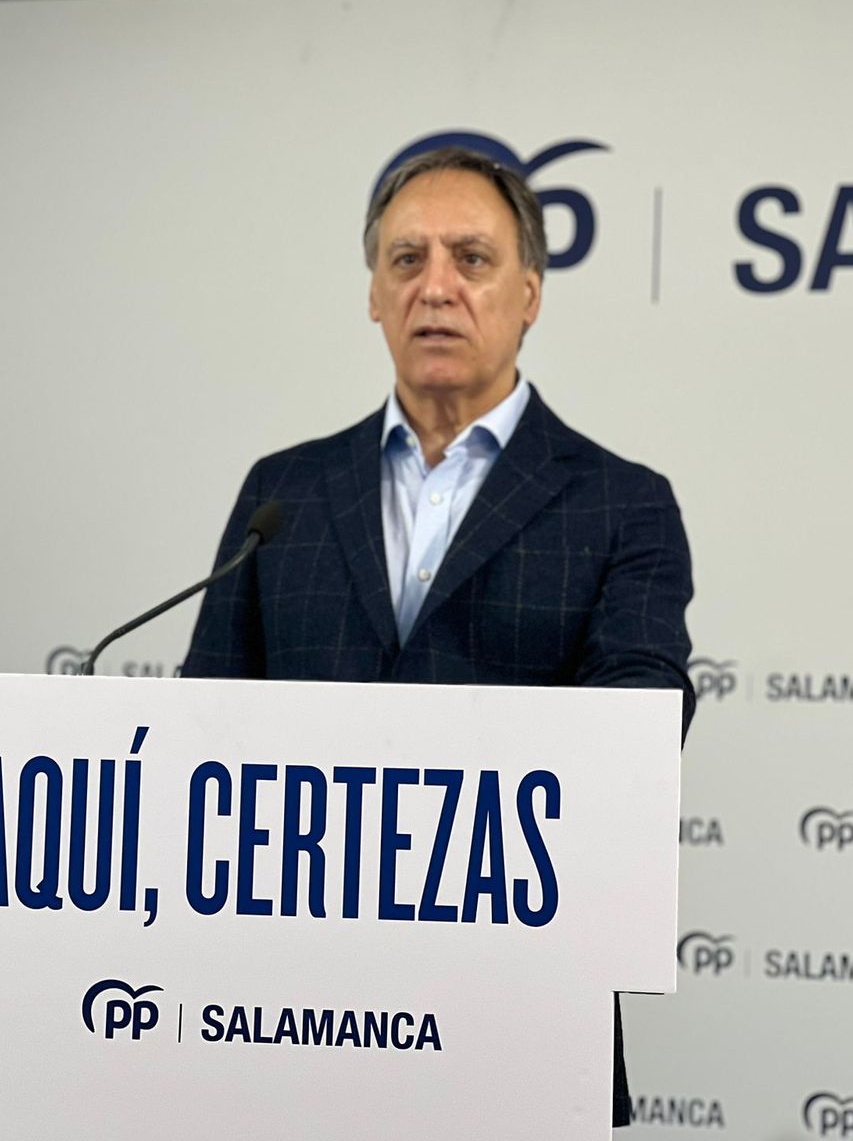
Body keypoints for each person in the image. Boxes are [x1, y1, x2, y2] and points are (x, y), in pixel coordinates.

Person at [182, 145, 694, 1128]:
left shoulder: (620, 504)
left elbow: (639, 705)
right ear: (373, 294)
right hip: (284, 1007)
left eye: (472, 258)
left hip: (512, 1000)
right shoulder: (281, 492)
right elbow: (204, 718)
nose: (437, 287)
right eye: (406, 261)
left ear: (531, 294)